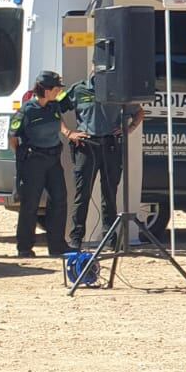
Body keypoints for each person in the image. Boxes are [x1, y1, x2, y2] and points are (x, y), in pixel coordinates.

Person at [64, 74, 144, 250]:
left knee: (109, 194)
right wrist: (69, 133)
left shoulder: (116, 90)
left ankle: (109, 237)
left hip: (110, 146)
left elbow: (139, 111)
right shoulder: (78, 89)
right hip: (87, 146)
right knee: (82, 194)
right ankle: (76, 238)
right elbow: (53, 110)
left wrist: (128, 129)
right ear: (93, 68)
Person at [8, 71, 74, 258]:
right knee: (30, 204)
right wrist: (23, 156)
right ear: (46, 90)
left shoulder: (54, 106)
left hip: (53, 159)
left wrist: (67, 132)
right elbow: (12, 137)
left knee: (59, 200)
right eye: (56, 88)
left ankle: (57, 245)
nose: (59, 91)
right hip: (34, 160)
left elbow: (59, 120)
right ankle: (25, 247)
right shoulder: (27, 110)